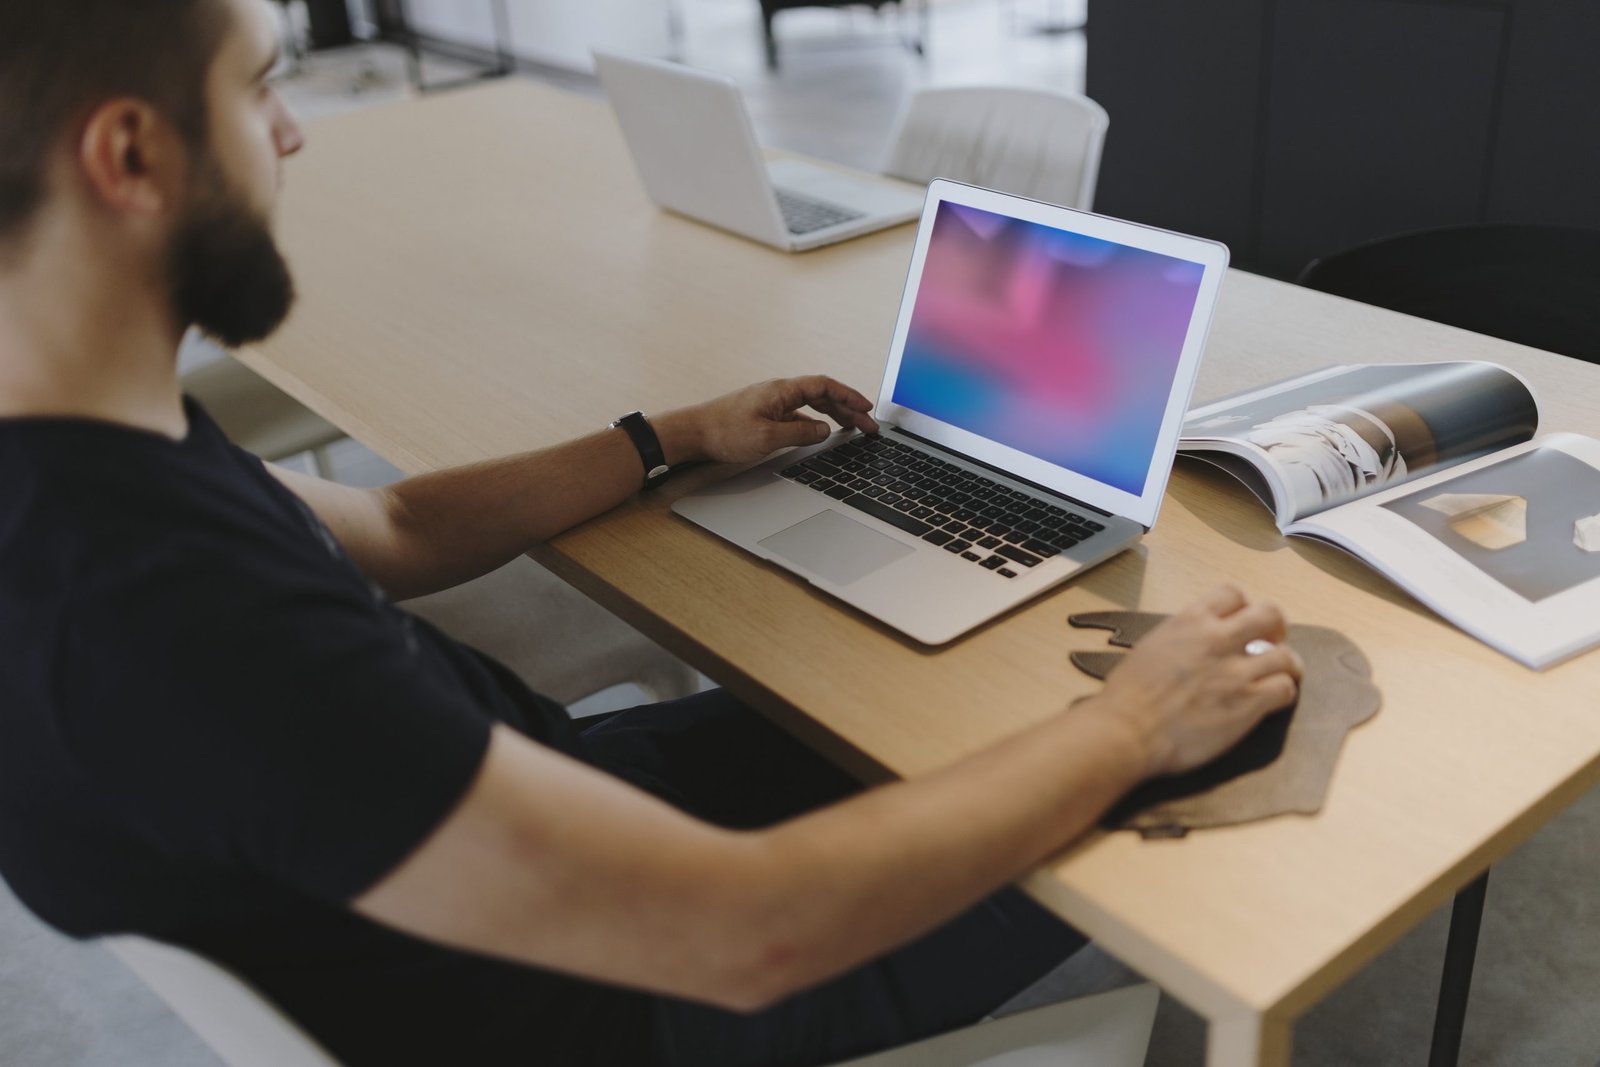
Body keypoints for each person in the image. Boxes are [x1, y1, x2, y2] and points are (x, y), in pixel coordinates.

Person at [0, 1, 1304, 1064]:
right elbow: (751, 936)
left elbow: (389, 523)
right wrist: (1130, 731)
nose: (290, 133)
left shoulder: (78, 439)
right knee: (1196, 756)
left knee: (953, 693)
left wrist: (665, 437)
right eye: (258, 86)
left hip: (549, 831)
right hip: (654, 996)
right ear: (131, 156)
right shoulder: (160, 621)